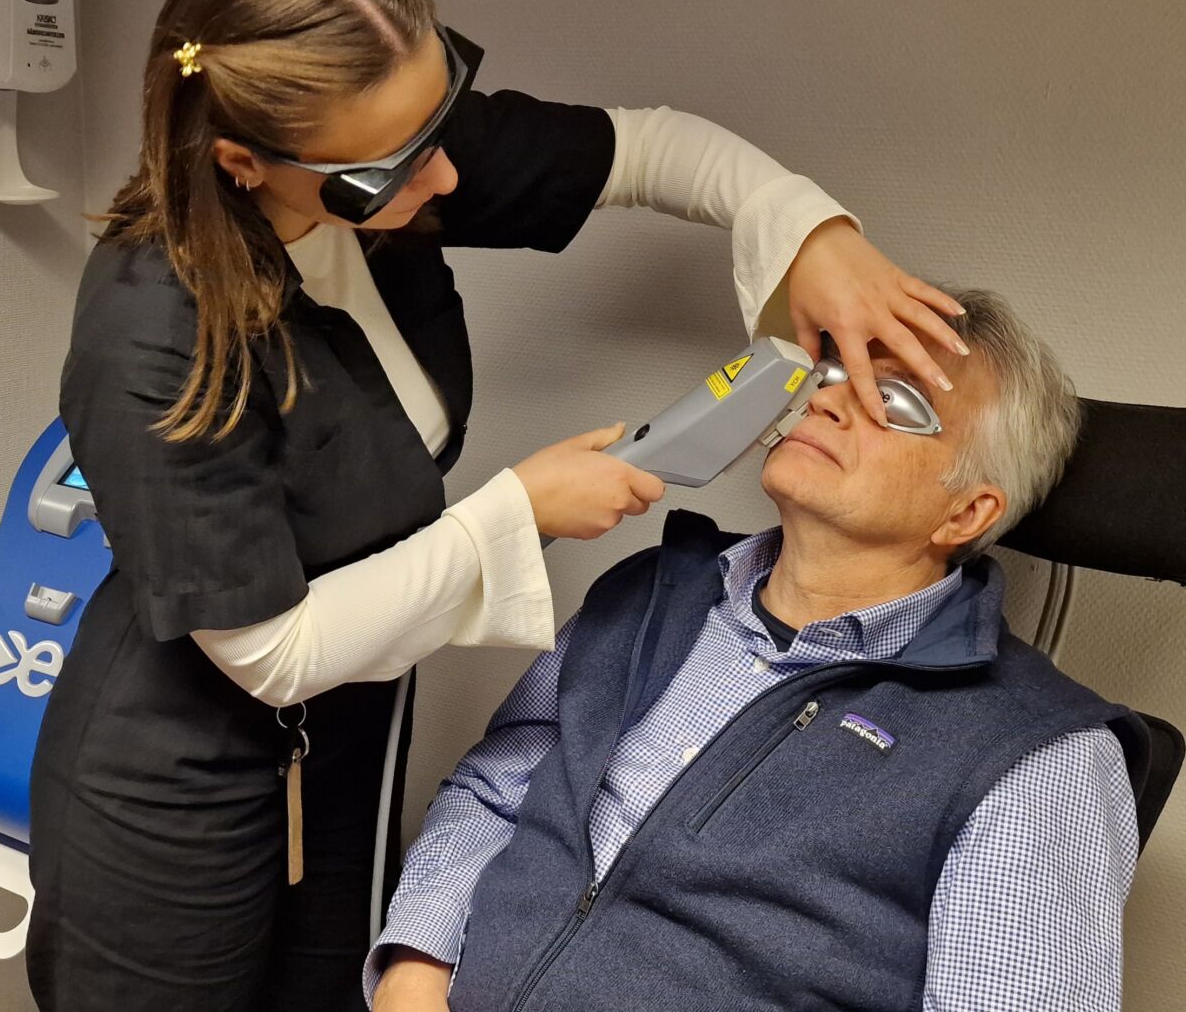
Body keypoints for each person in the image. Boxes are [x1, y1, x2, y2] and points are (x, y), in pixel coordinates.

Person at [26, 0, 970, 1012]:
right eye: (388, 173)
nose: (443, 184)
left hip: (340, 734)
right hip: (175, 773)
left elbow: (651, 149)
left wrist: (811, 230)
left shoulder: (400, 150)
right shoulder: (153, 328)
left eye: (440, 125)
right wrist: (517, 511)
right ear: (243, 160)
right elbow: (271, 653)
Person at [371, 288, 1147, 1012]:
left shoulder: (1040, 757)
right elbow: (495, 790)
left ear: (965, 514)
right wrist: (414, 971)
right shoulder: (648, 594)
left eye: (897, 403)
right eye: (832, 373)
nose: (829, 399)